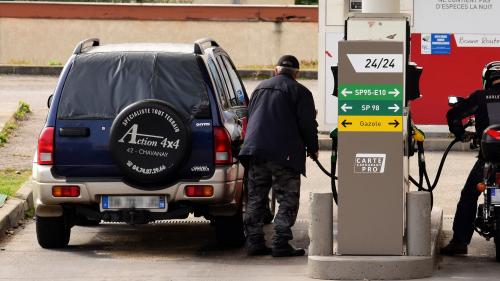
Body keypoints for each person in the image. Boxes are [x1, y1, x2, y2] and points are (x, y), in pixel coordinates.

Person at [239, 55, 319, 257]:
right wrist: (313, 147)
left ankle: (254, 242)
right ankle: (281, 243)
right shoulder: (300, 91)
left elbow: (249, 116)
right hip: (285, 154)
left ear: (275, 71)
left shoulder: (259, 88)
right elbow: (307, 124)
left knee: (256, 197)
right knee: (287, 198)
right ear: (297, 74)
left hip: (255, 151)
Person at [441, 61, 500, 255]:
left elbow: (453, 115)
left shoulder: (481, 97)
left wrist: (461, 134)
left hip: (488, 158)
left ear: (487, 79)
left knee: (469, 195)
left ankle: (460, 242)